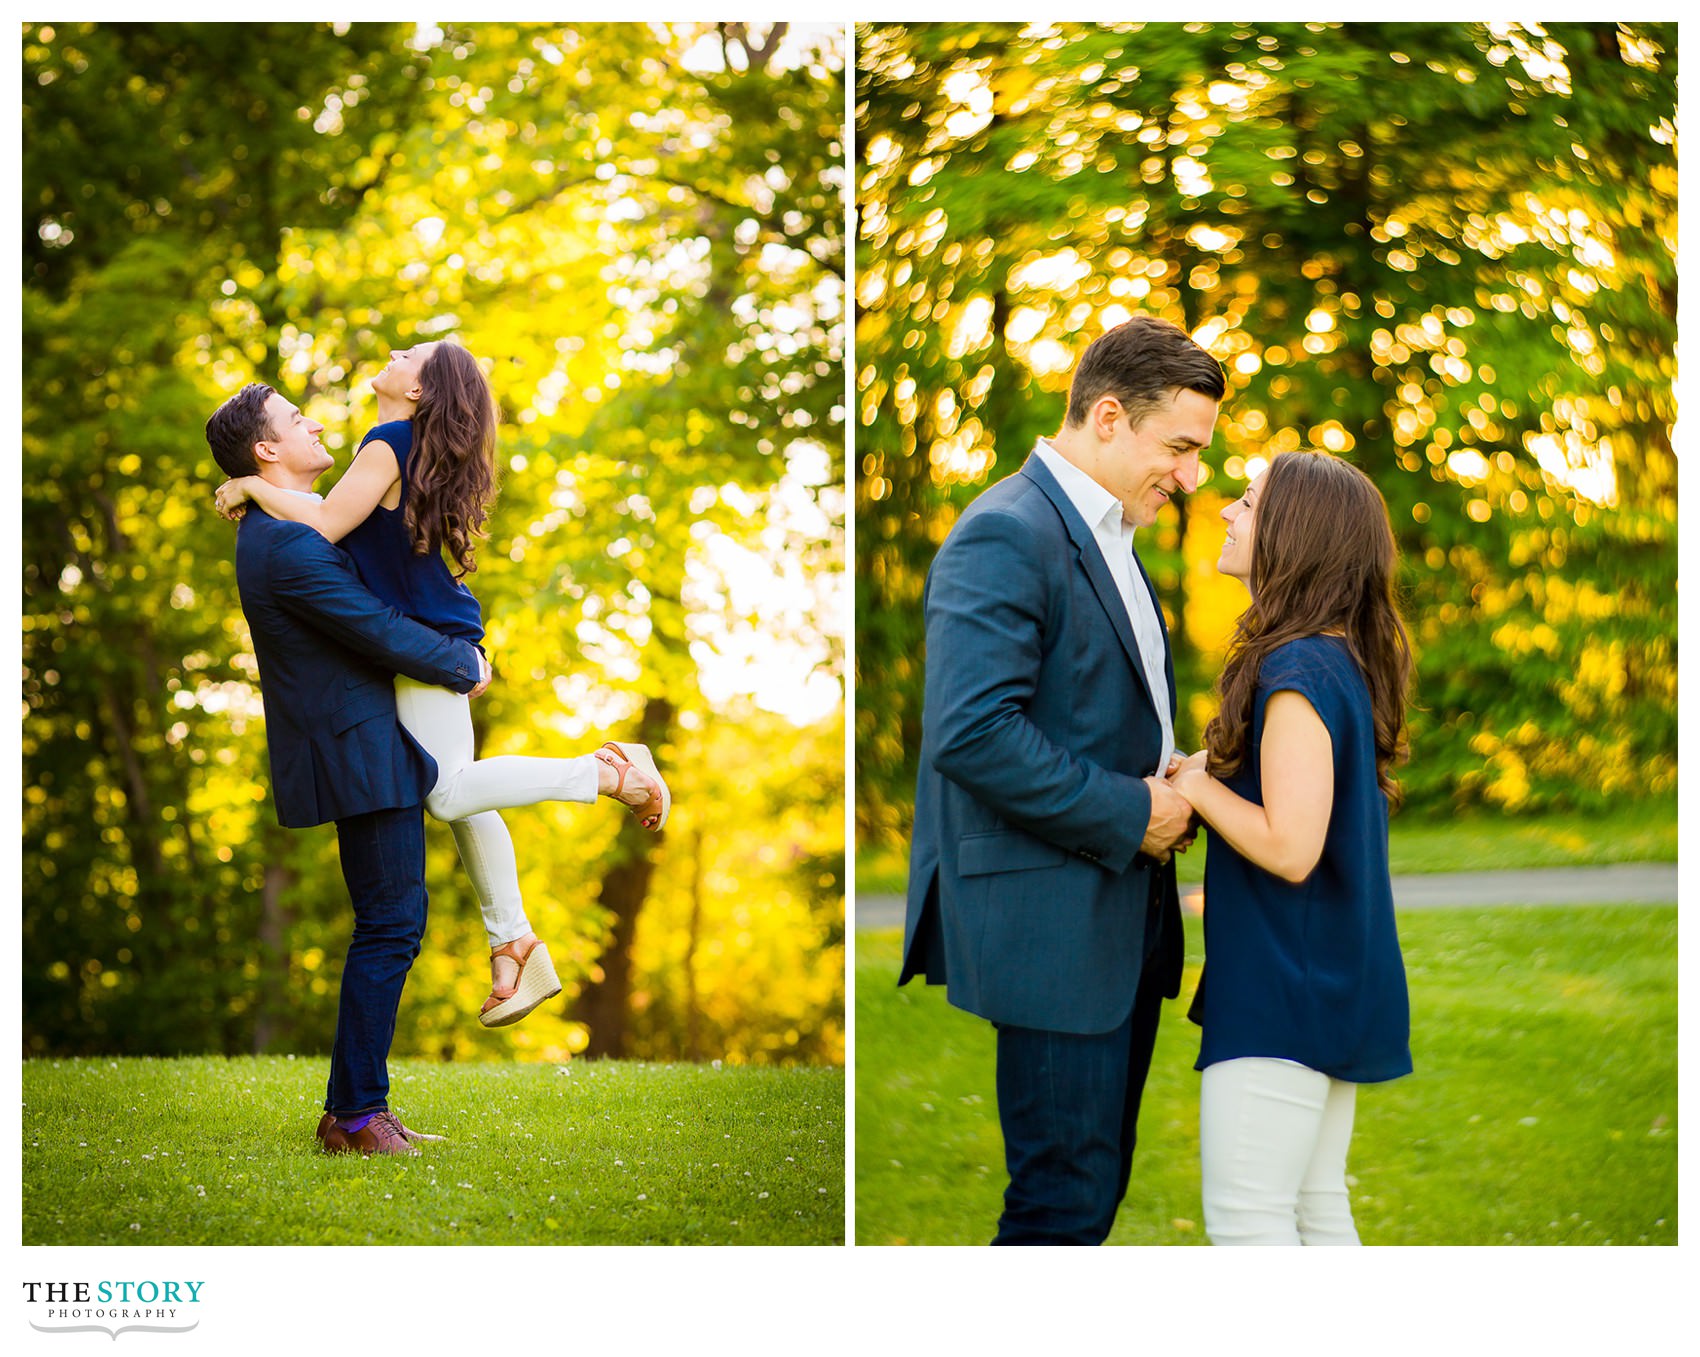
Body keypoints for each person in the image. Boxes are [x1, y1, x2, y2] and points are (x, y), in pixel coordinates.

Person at [214, 340, 671, 1029]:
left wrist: (252, 486)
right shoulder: (411, 445)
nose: (394, 352)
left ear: (420, 391)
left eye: (410, 354)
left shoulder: (388, 441)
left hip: (430, 644)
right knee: (457, 784)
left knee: (449, 791)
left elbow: (329, 522)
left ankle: (607, 773)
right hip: (432, 637)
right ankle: (512, 943)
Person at [900, 315, 1226, 1244]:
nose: (1191, 475)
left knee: (1088, 1195)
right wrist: (1135, 809)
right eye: (1180, 447)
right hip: (1055, 933)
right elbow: (973, 731)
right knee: (1059, 1205)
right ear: (1110, 416)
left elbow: (1081, 709)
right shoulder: (1008, 530)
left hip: (1116, 925)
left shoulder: (1113, 535)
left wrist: (1168, 769)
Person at [206, 381, 493, 1155]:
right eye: (297, 420)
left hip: (364, 742)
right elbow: (376, 629)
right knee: (392, 921)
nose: (317, 421)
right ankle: (356, 1117)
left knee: (392, 919)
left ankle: (360, 1107)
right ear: (267, 450)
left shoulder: (286, 528)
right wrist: (465, 662)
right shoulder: (288, 544)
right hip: (357, 748)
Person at [1169, 450, 1414, 1245]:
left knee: (1251, 1222)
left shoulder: (1297, 665)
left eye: (1246, 500)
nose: (1227, 511)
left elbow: (1292, 844)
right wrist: (1213, 772)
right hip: (1324, 976)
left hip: (1286, 985)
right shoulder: (1332, 658)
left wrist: (1193, 787)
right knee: (1314, 1206)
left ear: (1292, 531)